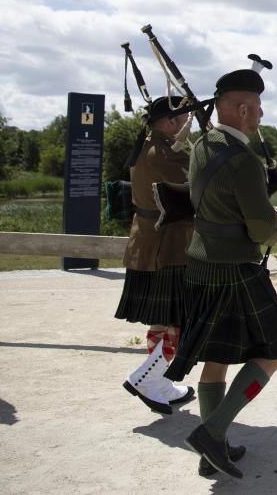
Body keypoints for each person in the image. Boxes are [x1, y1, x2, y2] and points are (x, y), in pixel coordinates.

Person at [164, 68, 277, 479]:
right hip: (235, 267)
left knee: (216, 356)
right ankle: (212, 431)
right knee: (274, 352)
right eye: (256, 107)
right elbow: (258, 229)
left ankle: (211, 452)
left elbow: (219, 203)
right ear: (241, 109)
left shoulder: (204, 145)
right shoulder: (245, 160)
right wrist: (272, 221)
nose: (260, 113)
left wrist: (260, 209)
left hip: (201, 261)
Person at [116, 97, 196, 414]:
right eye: (183, 119)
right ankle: (145, 378)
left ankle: (158, 381)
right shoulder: (161, 154)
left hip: (153, 244)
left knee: (164, 322)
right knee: (176, 321)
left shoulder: (156, 146)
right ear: (168, 122)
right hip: (164, 247)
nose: (187, 124)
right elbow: (198, 182)